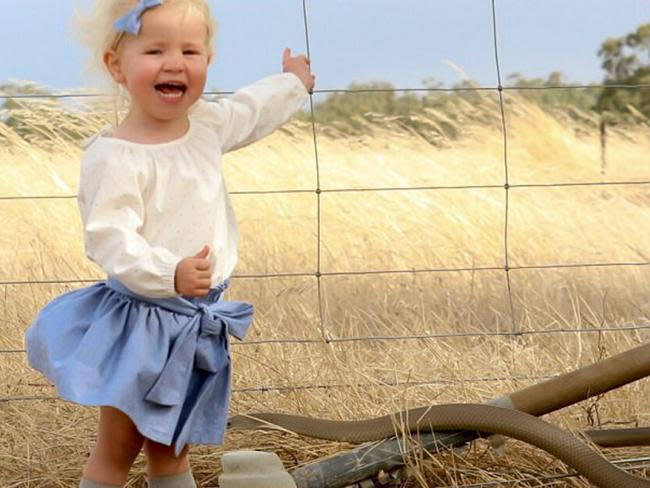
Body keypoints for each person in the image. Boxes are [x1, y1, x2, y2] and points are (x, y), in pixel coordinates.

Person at [24, 0, 315, 487]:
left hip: (195, 325)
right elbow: (108, 237)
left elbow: (251, 110)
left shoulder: (205, 127)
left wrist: (292, 83)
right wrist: (168, 274)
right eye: (155, 50)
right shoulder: (115, 155)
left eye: (190, 50)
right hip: (143, 322)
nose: (175, 62)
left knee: (172, 448)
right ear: (116, 66)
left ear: (207, 61)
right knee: (117, 449)